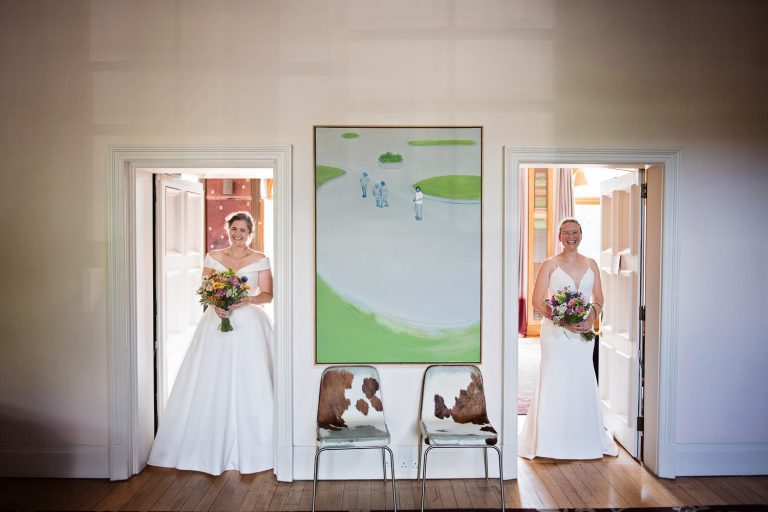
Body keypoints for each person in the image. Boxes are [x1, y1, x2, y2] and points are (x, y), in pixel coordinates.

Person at [148, 211, 275, 475]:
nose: (238, 234)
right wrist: (217, 304)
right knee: (211, 377)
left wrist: (245, 301)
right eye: (234, 229)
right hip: (216, 322)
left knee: (249, 377)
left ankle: (257, 445)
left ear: (251, 233)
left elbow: (267, 295)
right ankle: (205, 444)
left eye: (243, 230)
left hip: (249, 325)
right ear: (228, 230)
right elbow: (205, 289)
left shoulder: (261, 259)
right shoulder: (213, 257)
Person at [518, 218, 618, 460]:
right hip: (556, 334)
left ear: (581, 235)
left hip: (583, 333)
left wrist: (591, 318)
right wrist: (564, 320)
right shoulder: (549, 264)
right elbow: (537, 301)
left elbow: (599, 299)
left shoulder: (592, 264)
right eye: (566, 233)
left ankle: (583, 437)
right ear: (559, 237)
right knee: (555, 378)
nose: (570, 236)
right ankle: (549, 441)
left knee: (582, 379)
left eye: (575, 232)